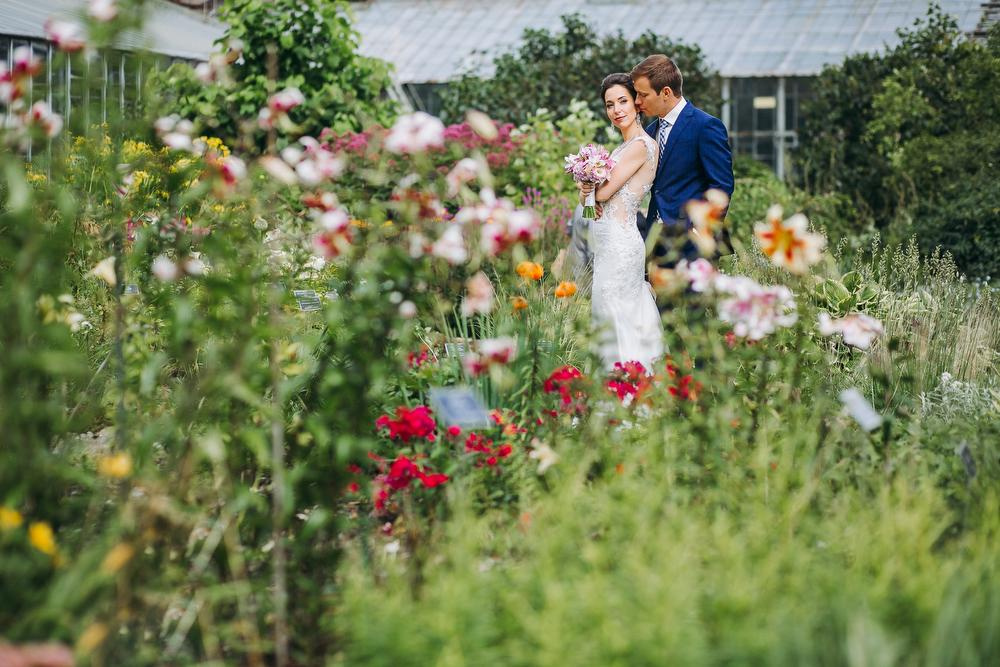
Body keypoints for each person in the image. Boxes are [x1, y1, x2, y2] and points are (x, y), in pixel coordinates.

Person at [579, 73, 663, 372]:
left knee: (619, 314)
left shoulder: (641, 146)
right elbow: (589, 206)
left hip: (621, 244)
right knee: (606, 314)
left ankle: (629, 390)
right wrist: (588, 192)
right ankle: (613, 388)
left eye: (623, 101)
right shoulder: (618, 151)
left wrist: (588, 186)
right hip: (606, 244)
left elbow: (602, 193)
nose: (617, 110)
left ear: (637, 103)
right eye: (610, 104)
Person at [630, 54, 734, 265]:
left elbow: (721, 186)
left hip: (692, 247)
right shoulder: (650, 131)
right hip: (655, 243)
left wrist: (699, 232)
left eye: (643, 95)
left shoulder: (705, 126)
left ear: (666, 92)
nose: (637, 101)